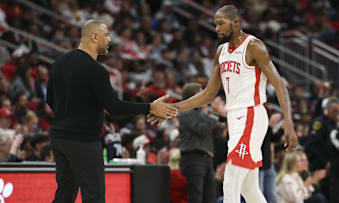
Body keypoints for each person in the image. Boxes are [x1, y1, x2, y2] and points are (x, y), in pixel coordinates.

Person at [148, 5, 298, 203]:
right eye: (215, 24)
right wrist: (174, 108)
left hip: (251, 116)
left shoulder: (254, 46)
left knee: (230, 179)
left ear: (235, 22)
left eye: (221, 23)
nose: (216, 28)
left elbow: (279, 84)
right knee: (248, 187)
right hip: (234, 119)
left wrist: (289, 122)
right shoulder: (221, 51)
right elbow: (208, 94)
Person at [46, 19, 178, 203]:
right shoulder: (95, 70)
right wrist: (149, 107)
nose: (110, 39)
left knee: (64, 195)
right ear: (94, 37)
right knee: (94, 196)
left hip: (58, 138)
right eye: (106, 35)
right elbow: (114, 107)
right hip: (83, 141)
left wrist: (71, 114)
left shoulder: (59, 63)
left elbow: (50, 100)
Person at [178, 82, 227, 203]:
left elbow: (218, 133)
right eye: (201, 92)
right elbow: (203, 130)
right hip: (193, 158)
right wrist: (215, 114)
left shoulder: (203, 113)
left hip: (207, 159)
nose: (205, 95)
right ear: (192, 96)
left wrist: (226, 117)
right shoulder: (185, 113)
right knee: (196, 197)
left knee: (210, 198)